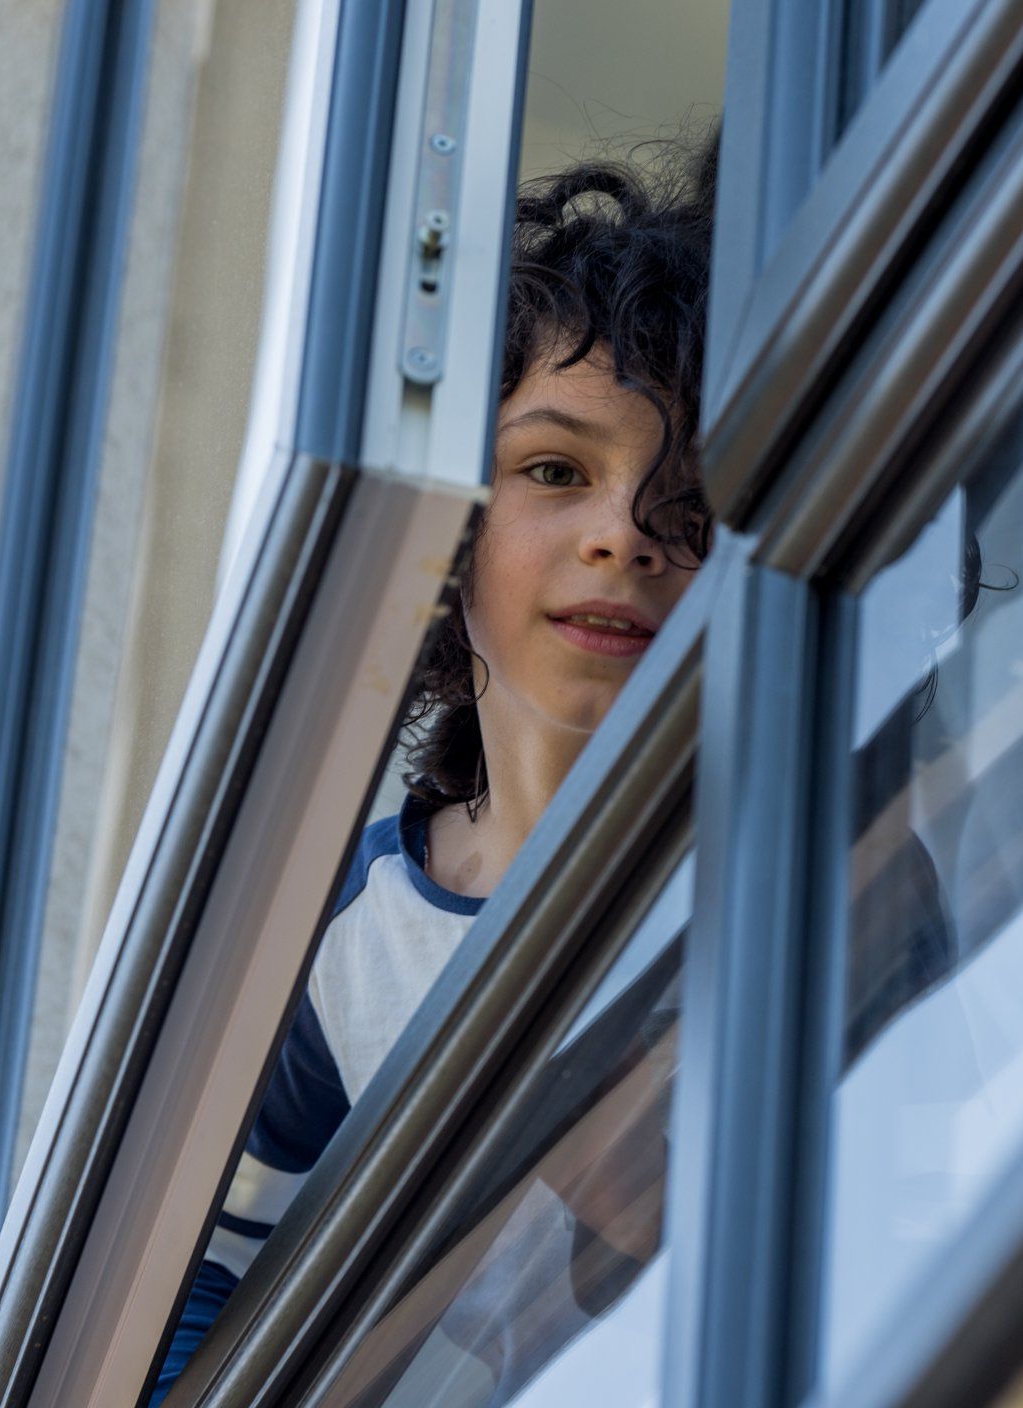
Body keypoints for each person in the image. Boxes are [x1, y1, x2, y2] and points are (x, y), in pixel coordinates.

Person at [152, 139, 715, 1404]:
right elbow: (197, 1280)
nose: (623, 531)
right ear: (450, 536)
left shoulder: (797, 855)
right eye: (556, 470)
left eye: (688, 494)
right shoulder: (340, 931)